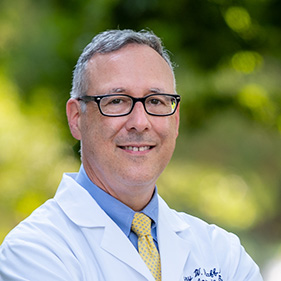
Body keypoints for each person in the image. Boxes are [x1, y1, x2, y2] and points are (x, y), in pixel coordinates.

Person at [0, 29, 263, 281]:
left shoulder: (223, 253)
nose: (140, 121)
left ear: (176, 119)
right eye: (117, 101)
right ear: (76, 118)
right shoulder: (34, 252)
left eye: (156, 101)